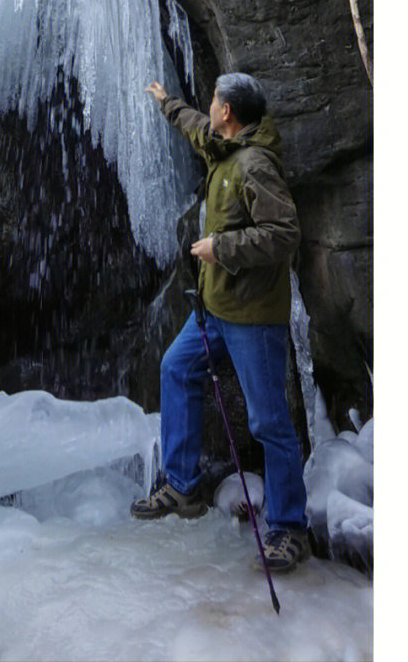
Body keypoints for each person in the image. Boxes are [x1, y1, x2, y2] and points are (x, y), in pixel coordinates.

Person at [131, 72, 311, 573]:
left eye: (214, 100)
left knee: (269, 421)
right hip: (213, 310)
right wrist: (168, 103)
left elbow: (283, 233)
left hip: (252, 318)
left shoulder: (254, 165)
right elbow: (195, 128)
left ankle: (290, 528)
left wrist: (221, 247)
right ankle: (183, 485)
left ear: (228, 112)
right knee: (176, 368)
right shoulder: (225, 148)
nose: (209, 106)